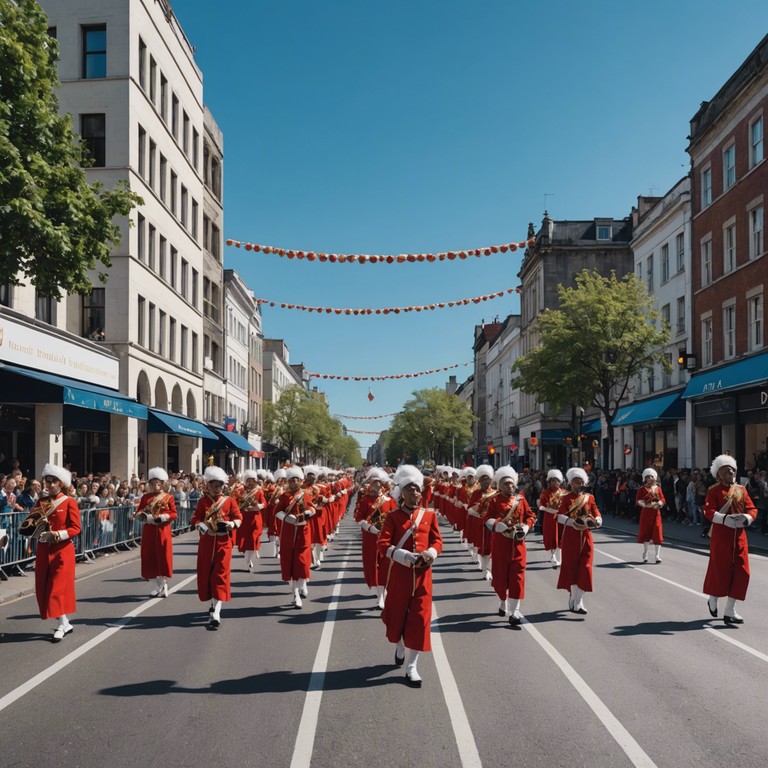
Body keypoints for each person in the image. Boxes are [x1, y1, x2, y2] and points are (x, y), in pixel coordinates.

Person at [378, 465, 442, 688]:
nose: (415, 493)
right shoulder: (393, 517)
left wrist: (432, 552)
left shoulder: (429, 515)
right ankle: (399, 644)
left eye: (418, 489)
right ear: (402, 493)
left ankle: (412, 667)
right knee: (398, 616)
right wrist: (403, 555)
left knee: (420, 619)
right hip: (400, 576)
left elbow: (437, 541)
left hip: (423, 576)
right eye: (411, 489)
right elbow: (383, 544)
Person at [28, 463, 82, 641]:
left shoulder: (69, 502)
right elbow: (32, 524)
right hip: (43, 549)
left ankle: (62, 624)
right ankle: (65, 622)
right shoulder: (41, 502)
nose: (49, 484)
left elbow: (76, 528)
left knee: (57, 588)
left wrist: (57, 534)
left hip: (62, 550)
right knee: (43, 586)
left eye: (53, 481)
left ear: (61, 484)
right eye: (47, 481)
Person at [702, 454, 757, 625]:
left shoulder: (742, 489)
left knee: (742, 572)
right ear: (719, 474)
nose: (731, 473)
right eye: (726, 471)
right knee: (721, 571)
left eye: (732, 470)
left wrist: (747, 518)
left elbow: (752, 507)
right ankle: (713, 598)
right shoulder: (713, 490)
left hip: (739, 537)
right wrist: (724, 519)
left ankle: (730, 610)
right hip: (721, 536)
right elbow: (708, 511)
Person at [190, 466, 242, 629]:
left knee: (220, 575)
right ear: (208, 485)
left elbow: (239, 518)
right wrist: (200, 526)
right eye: (214, 485)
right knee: (207, 574)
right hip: (206, 543)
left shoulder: (229, 501)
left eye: (219, 485)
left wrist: (231, 524)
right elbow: (195, 518)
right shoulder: (202, 502)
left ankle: (217, 611)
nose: (216, 488)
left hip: (223, 543)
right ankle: (213, 603)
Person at [485, 465, 536, 625]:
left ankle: (514, 612)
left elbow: (531, 515)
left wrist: (527, 526)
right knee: (501, 578)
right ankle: (502, 601)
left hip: (518, 545)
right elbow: (486, 519)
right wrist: (497, 525)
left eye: (512, 484)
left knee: (517, 577)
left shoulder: (521, 500)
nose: (510, 487)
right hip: (501, 545)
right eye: (506, 484)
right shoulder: (492, 500)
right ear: (499, 485)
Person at [556, 467, 602, 615]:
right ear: (571, 482)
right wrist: (573, 522)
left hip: (586, 537)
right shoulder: (564, 497)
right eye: (576, 481)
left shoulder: (589, 497)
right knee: (572, 568)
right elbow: (560, 516)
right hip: (571, 536)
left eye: (581, 481)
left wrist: (599, 520)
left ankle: (578, 599)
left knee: (586, 568)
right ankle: (574, 598)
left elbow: (596, 512)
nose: (579, 484)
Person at [274, 466, 316, 608]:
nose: (294, 483)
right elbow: (276, 511)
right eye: (291, 481)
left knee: (302, 561)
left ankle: (302, 583)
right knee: (289, 563)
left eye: (296, 480)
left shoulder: (305, 495)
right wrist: (287, 518)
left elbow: (312, 509)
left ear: (300, 481)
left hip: (303, 531)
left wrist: (307, 514)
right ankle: (295, 594)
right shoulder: (284, 496)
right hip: (288, 532)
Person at [135, 467, 177, 597]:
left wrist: (163, 517)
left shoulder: (168, 497)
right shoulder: (146, 497)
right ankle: (158, 585)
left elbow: (174, 514)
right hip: (149, 530)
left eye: (158, 483)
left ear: (162, 484)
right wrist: (144, 517)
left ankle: (163, 581)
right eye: (153, 483)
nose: (155, 486)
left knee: (163, 556)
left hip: (162, 530)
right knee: (149, 556)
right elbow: (139, 512)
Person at [234, 470, 267, 572]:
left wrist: (257, 506)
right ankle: (248, 560)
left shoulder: (259, 491)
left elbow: (264, 503)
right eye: (248, 480)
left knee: (253, 538)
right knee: (245, 539)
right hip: (244, 518)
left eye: (252, 480)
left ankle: (250, 558)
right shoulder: (241, 492)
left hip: (255, 518)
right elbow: (236, 503)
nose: (250, 482)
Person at [636, 468, 666, 563]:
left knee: (657, 531)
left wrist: (659, 503)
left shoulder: (658, 488)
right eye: (648, 477)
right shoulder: (642, 489)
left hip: (656, 512)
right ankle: (645, 554)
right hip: (646, 513)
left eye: (651, 477)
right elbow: (638, 500)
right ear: (645, 478)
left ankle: (657, 555)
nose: (650, 479)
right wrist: (645, 504)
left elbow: (663, 499)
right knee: (646, 533)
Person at [539, 469, 566, 568]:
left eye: (557, 481)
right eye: (553, 481)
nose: (555, 483)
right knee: (552, 536)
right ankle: (553, 554)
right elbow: (541, 506)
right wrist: (548, 509)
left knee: (561, 536)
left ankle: (560, 556)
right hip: (550, 517)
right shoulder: (545, 493)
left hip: (561, 517)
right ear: (549, 482)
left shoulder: (564, 492)